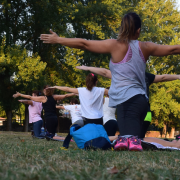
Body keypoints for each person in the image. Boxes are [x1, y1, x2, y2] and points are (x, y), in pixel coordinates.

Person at [40, 12, 180, 150]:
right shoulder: (146, 46)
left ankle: (174, 144)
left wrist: (59, 40)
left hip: (128, 102)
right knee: (131, 139)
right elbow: (173, 49)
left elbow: (84, 44)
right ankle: (173, 144)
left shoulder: (114, 45)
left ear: (122, 28)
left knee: (132, 141)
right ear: (138, 31)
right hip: (142, 102)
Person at [76, 65, 180, 138]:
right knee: (140, 135)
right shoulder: (146, 75)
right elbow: (163, 77)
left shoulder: (125, 75)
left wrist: (88, 68)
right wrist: (178, 76)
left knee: (131, 136)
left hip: (132, 110)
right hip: (147, 111)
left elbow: (105, 72)